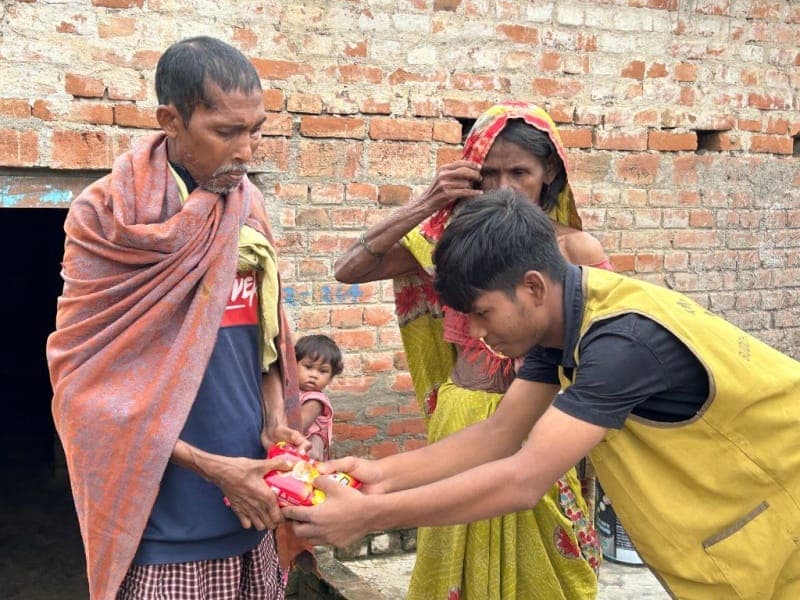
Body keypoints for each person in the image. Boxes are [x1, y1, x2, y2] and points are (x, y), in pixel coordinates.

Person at [287, 189, 800, 600]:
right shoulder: (560, 324)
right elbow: (499, 433)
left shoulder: (620, 341)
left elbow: (524, 479)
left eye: (483, 313)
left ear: (532, 287)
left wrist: (370, 515)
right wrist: (380, 474)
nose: (477, 333)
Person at [46, 36, 309, 600]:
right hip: (164, 523)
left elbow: (264, 336)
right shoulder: (107, 216)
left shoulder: (246, 204)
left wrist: (270, 420)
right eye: (226, 132)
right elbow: (82, 390)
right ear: (171, 119)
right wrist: (211, 468)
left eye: (256, 129)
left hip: (251, 503)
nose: (247, 151)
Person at [334, 103, 607, 599]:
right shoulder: (454, 246)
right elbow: (348, 270)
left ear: (549, 172)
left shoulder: (576, 253)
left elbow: (594, 358)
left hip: (546, 426)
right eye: (489, 175)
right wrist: (427, 203)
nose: (504, 188)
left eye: (520, 172)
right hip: (465, 422)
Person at [296, 334, 343, 461]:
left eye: (322, 371)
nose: (314, 375)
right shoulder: (292, 391)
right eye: (308, 367)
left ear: (331, 377)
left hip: (307, 457)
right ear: (293, 365)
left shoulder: (315, 400)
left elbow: (296, 427)